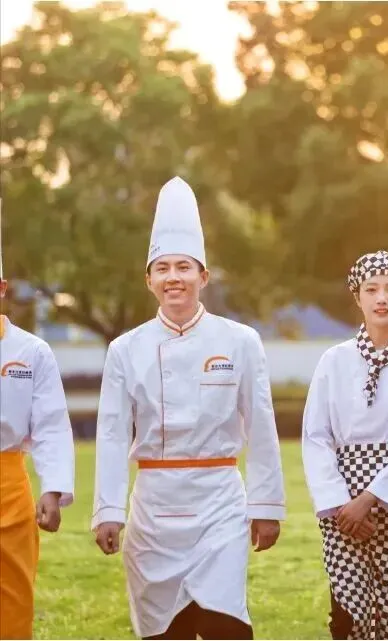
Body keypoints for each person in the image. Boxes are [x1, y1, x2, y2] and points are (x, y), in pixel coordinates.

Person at [90, 177, 286, 640]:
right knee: (164, 630)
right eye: (162, 268)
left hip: (219, 502)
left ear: (204, 276)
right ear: (149, 280)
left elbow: (261, 426)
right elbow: (112, 433)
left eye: (184, 267)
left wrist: (266, 506)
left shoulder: (240, 341)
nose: (173, 277)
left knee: (225, 623)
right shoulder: (125, 349)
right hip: (153, 507)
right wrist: (108, 510)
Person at [302, 250, 388, 639]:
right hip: (342, 506)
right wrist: (340, 504)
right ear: (358, 296)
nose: (382, 298)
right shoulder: (334, 360)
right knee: (349, 615)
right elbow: (316, 436)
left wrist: (371, 499)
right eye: (372, 289)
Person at [0, 199, 75, 640]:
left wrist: (53, 487)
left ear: (2, 288)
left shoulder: (32, 351)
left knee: (14, 594)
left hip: (9, 484)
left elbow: (50, 424)